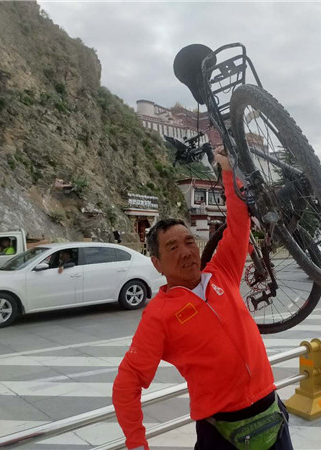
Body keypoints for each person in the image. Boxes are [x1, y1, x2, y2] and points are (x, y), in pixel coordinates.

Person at [112, 147, 293, 450]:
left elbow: (239, 224)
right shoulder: (158, 315)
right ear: (157, 264)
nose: (186, 252)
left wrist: (227, 171)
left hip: (270, 414)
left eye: (189, 242)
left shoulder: (221, 272)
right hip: (221, 433)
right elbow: (126, 384)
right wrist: (137, 443)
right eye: (172, 248)